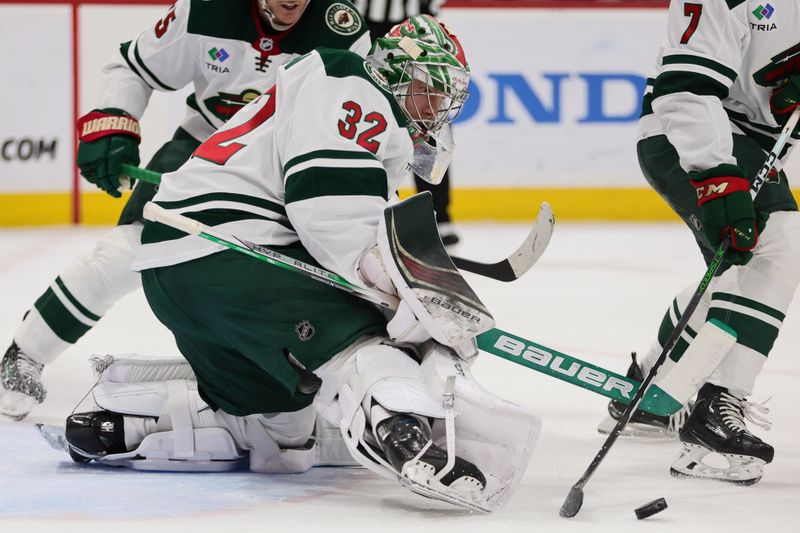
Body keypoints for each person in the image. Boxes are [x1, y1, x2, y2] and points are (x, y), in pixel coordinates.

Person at [55, 16, 540, 511]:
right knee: (367, 336)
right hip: (229, 253)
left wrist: (407, 285)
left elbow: (334, 221)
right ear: (399, 73)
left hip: (179, 268)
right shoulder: (354, 81)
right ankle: (403, 434)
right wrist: (403, 292)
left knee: (281, 427)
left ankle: (132, 418)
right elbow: (329, 212)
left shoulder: (340, 95)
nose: (437, 108)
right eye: (430, 91)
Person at [0, 0, 371, 420]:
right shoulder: (204, 10)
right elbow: (133, 67)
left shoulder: (340, 29)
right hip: (205, 150)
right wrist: (115, 117)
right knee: (127, 251)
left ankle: (316, 386)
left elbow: (348, 119)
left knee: (303, 276)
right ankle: (25, 351)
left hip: (283, 167)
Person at [601, 0, 800, 485]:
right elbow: (686, 90)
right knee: (777, 247)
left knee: (738, 276)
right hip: (685, 134)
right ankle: (717, 406)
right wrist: (716, 173)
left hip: (758, 146)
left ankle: (647, 390)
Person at [353, 0, 458, 245]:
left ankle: (437, 214)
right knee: (370, 113)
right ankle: (377, 205)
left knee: (429, 111)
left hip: (417, 29)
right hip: (363, 27)